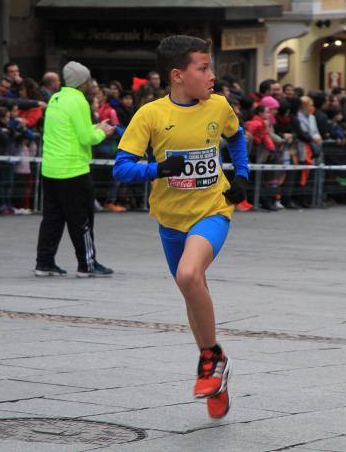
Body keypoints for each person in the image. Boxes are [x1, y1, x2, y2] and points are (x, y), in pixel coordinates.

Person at [113, 35, 249, 419]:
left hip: (213, 210)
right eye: (203, 68)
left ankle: (211, 360)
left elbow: (237, 138)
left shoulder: (219, 106)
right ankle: (216, 376)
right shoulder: (151, 115)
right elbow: (121, 168)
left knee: (190, 274)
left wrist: (242, 174)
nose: (212, 76)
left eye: (210, 67)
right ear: (177, 75)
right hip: (170, 221)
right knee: (192, 290)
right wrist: (158, 169)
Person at [35, 60, 116, 278]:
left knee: (52, 218)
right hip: (74, 170)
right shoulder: (79, 101)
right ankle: (87, 264)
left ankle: (44, 262)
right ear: (82, 81)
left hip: (51, 168)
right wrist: (102, 132)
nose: (91, 83)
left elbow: (70, 131)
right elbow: (86, 137)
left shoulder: (56, 98)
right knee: (82, 219)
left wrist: (95, 126)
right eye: (88, 79)